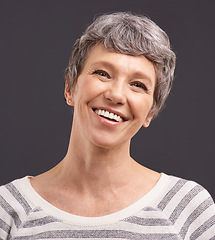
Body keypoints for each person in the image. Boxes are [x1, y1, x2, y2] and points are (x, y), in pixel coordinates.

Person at [0, 12, 215, 239]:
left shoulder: (188, 209)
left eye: (138, 85)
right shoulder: (8, 209)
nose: (116, 95)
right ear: (70, 88)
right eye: (102, 73)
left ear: (151, 112)